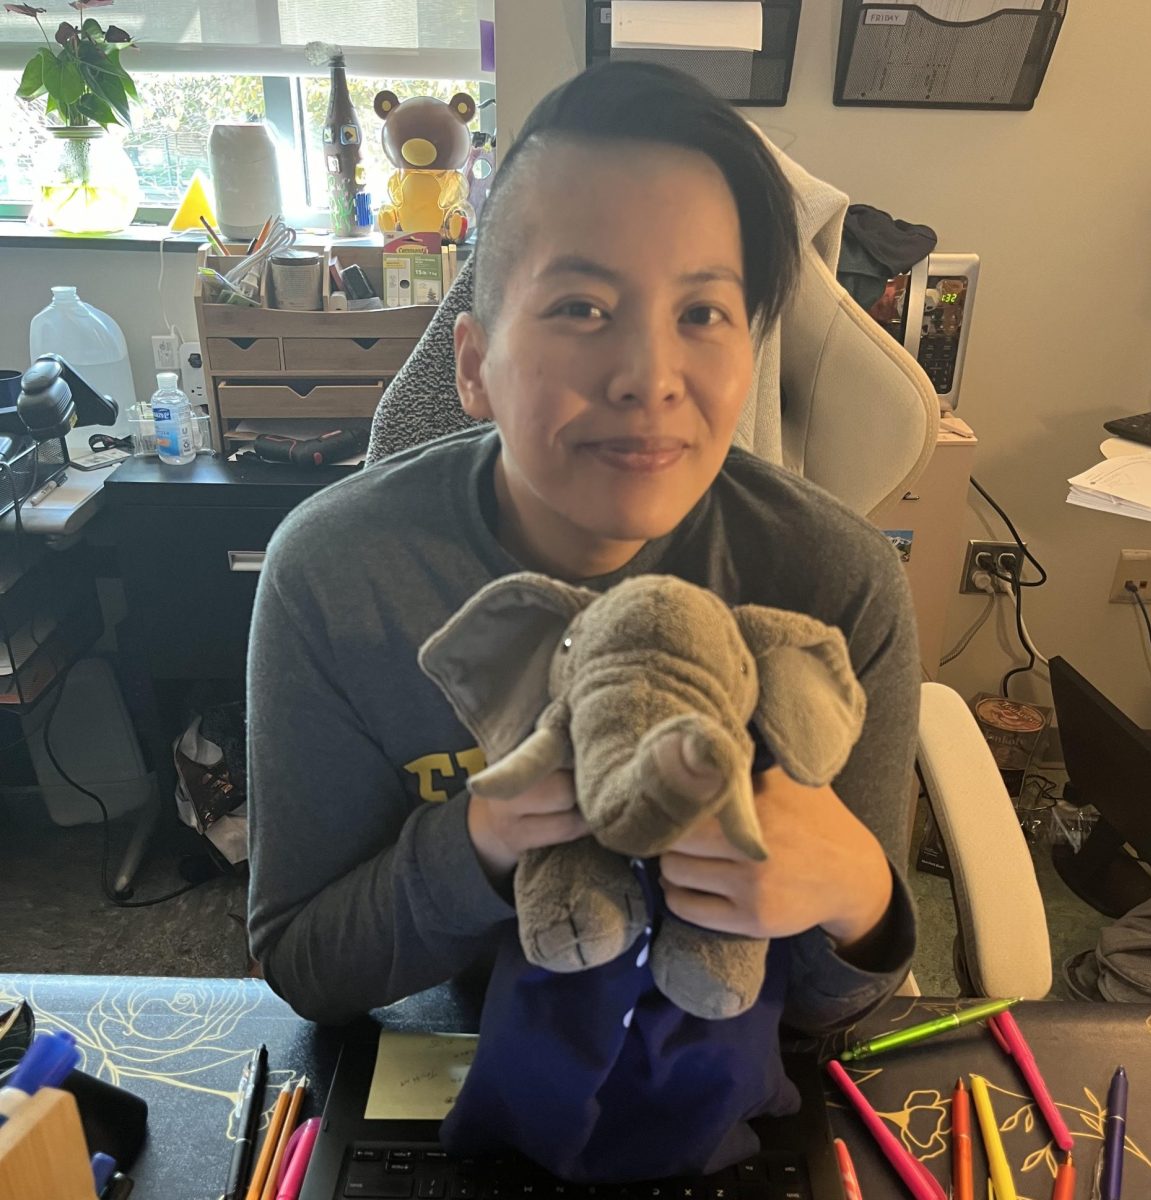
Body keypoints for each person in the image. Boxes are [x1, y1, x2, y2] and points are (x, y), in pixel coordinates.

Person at [246, 62, 918, 1034]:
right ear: (474, 366)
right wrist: (476, 845)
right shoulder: (338, 576)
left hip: (731, 1075)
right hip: (455, 1066)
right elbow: (306, 964)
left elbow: (848, 1019)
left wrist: (859, 898)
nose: (649, 377)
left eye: (702, 314)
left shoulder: (834, 581)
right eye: (581, 309)